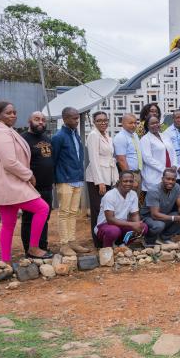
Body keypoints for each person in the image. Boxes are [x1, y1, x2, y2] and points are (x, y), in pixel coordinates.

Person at [0, 102, 51, 262]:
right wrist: (29, 175)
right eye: (8, 113)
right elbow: (10, 163)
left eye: (14, 112)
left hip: (5, 185)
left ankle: (5, 261)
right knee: (43, 208)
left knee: (8, 224)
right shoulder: (2, 133)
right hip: (9, 183)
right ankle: (33, 247)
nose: (13, 115)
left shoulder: (5, 130)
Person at [52, 107, 89, 256]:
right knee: (64, 212)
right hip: (65, 179)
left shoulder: (76, 135)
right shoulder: (58, 137)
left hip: (77, 178)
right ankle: (64, 244)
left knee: (74, 212)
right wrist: (56, 179)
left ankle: (72, 241)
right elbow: (53, 160)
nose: (76, 120)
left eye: (77, 118)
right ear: (65, 119)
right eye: (73, 118)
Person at [20, 111, 53, 255]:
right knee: (29, 219)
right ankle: (29, 249)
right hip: (31, 188)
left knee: (44, 218)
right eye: (37, 119)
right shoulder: (23, 139)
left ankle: (42, 247)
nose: (41, 122)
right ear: (29, 121)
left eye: (43, 120)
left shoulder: (47, 138)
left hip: (47, 186)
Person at [86, 111, 119, 247]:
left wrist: (115, 178)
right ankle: (98, 241)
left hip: (108, 177)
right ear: (94, 122)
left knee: (108, 209)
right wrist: (99, 181)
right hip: (97, 178)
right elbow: (93, 160)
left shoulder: (106, 135)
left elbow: (111, 159)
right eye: (99, 120)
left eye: (105, 120)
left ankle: (107, 236)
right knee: (98, 210)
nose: (103, 122)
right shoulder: (93, 135)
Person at [94, 171, 148, 248]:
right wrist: (132, 224)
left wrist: (137, 225)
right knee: (114, 231)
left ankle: (123, 245)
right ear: (119, 182)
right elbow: (110, 219)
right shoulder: (110, 195)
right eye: (125, 181)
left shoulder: (133, 194)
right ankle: (107, 249)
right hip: (105, 226)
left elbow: (134, 214)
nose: (128, 183)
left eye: (131, 181)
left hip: (122, 225)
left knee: (143, 227)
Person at [142, 168, 180, 246]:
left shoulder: (176, 187)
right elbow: (155, 215)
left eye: (173, 179)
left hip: (163, 215)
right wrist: (175, 218)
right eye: (168, 179)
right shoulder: (154, 191)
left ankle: (164, 238)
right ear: (162, 179)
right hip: (148, 218)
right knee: (159, 225)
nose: (170, 182)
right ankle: (148, 241)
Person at [140, 115, 178, 199]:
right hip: (154, 176)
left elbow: (173, 152)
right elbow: (147, 159)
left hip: (169, 174)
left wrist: (175, 165)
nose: (155, 125)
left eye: (157, 122)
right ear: (147, 126)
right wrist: (164, 169)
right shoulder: (145, 139)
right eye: (152, 123)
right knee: (154, 204)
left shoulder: (165, 136)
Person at [113, 113, 142, 191]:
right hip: (128, 175)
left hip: (137, 173)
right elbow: (121, 160)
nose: (133, 125)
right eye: (130, 123)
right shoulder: (120, 137)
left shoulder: (134, 135)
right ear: (123, 124)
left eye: (135, 123)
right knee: (126, 200)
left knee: (134, 200)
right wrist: (130, 179)